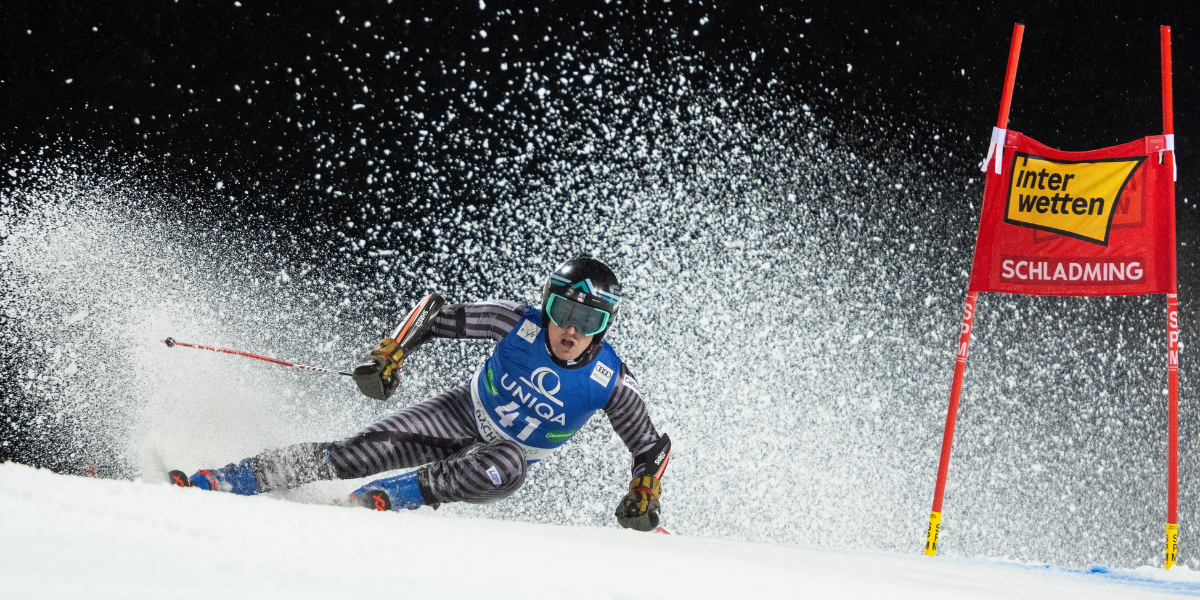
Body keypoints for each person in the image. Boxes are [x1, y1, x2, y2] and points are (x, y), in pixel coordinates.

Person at [169, 256, 671, 531]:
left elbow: (650, 448)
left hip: (503, 453)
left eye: (589, 319)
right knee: (354, 455)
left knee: (508, 465)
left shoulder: (610, 381)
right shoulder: (516, 321)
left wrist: (643, 492)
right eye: (563, 311)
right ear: (547, 305)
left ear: (605, 326)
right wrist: (389, 356)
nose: (571, 328)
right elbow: (433, 314)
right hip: (459, 413)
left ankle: (383, 499)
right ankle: (225, 479)